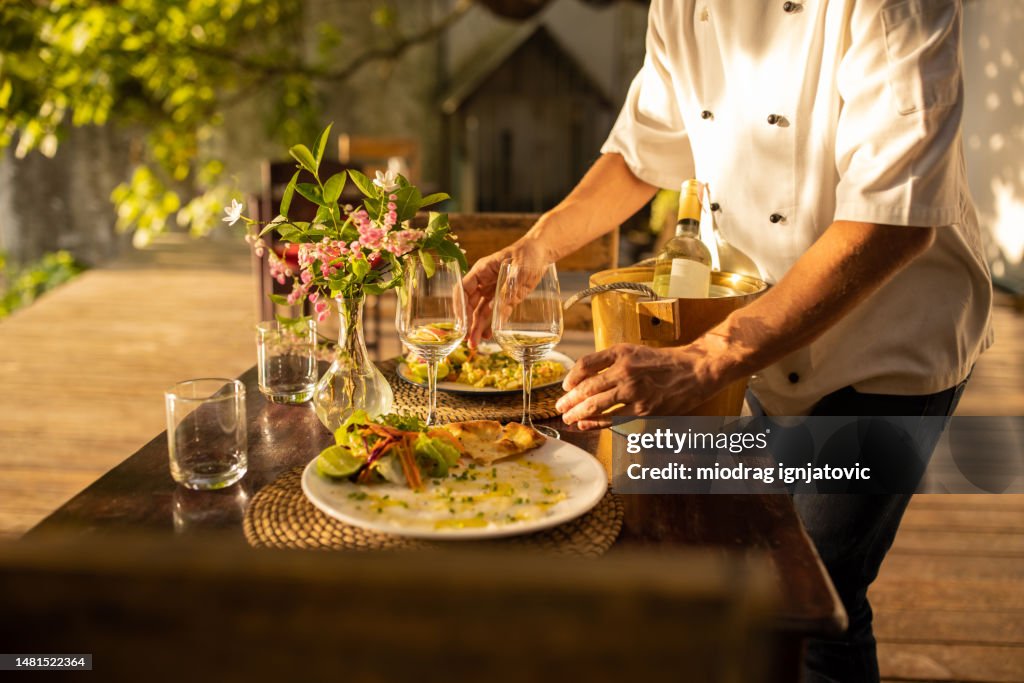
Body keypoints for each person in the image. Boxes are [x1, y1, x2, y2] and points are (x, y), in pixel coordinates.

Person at [462, 1, 992, 681]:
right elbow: (643, 151)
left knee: (815, 593)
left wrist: (703, 359)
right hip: (766, 339)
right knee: (763, 568)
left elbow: (894, 220)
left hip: (888, 345)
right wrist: (538, 245)